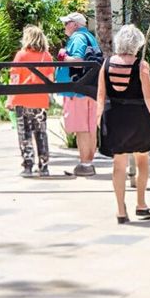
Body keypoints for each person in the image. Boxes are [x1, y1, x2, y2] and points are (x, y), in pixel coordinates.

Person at [97, 25, 150, 223]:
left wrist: (99, 121)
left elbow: (100, 96)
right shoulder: (141, 66)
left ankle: (120, 209)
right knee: (142, 161)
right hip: (138, 118)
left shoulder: (106, 64)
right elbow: (149, 97)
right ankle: (141, 204)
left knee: (119, 164)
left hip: (114, 117)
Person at [57, 12, 101, 176]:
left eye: (67, 23)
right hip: (90, 89)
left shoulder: (77, 38)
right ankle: (88, 162)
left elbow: (77, 59)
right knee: (90, 127)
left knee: (82, 128)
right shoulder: (90, 37)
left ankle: (85, 163)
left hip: (78, 89)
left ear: (75, 24)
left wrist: (63, 56)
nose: (64, 26)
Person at [7, 26, 55, 177]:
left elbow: (14, 79)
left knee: (24, 133)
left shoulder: (21, 55)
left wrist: (10, 99)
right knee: (41, 133)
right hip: (40, 100)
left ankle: (28, 166)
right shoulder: (46, 56)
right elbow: (50, 79)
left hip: (22, 99)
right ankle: (44, 166)